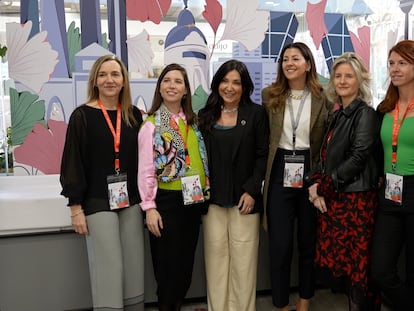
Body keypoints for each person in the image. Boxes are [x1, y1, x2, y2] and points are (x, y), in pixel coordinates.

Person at [60, 54, 144, 310]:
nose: (110, 80)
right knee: (110, 268)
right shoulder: (82, 116)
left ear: (123, 81)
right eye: (103, 74)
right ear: (95, 81)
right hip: (97, 201)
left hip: (130, 200)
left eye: (115, 74)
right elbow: (72, 162)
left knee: (133, 268)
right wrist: (76, 209)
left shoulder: (134, 116)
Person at [261, 42, 332, 311]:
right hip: (280, 167)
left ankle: (304, 301)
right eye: (285, 59)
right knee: (279, 244)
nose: (289, 63)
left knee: (307, 242)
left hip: (310, 171)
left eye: (295, 58)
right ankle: (280, 304)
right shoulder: (270, 96)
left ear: (308, 64)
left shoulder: (323, 98)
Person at [307, 52, 381, 310]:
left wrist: (323, 186)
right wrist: (314, 183)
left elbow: (358, 156)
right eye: (338, 76)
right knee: (348, 269)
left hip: (357, 202)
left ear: (360, 80)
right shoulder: (338, 114)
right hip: (339, 198)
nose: (342, 80)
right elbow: (325, 156)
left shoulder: (365, 114)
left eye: (349, 76)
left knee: (359, 268)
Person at [197, 59, 269, 311]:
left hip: (244, 201)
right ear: (217, 84)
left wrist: (252, 190)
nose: (230, 87)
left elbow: (263, 156)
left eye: (236, 82)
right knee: (216, 263)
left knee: (243, 263)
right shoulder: (204, 116)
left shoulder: (257, 114)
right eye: (225, 81)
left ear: (245, 86)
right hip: (213, 201)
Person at [138, 63, 209, 311]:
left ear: (186, 90)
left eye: (178, 81)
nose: (172, 85)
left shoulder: (193, 123)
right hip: (165, 204)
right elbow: (146, 170)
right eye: (166, 80)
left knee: (184, 268)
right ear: (160, 87)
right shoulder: (151, 125)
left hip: (192, 201)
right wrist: (149, 208)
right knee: (167, 270)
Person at [371, 39, 414, 310]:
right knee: (381, 271)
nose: (395, 69)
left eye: (402, 63)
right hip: (389, 192)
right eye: (391, 64)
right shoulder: (385, 108)